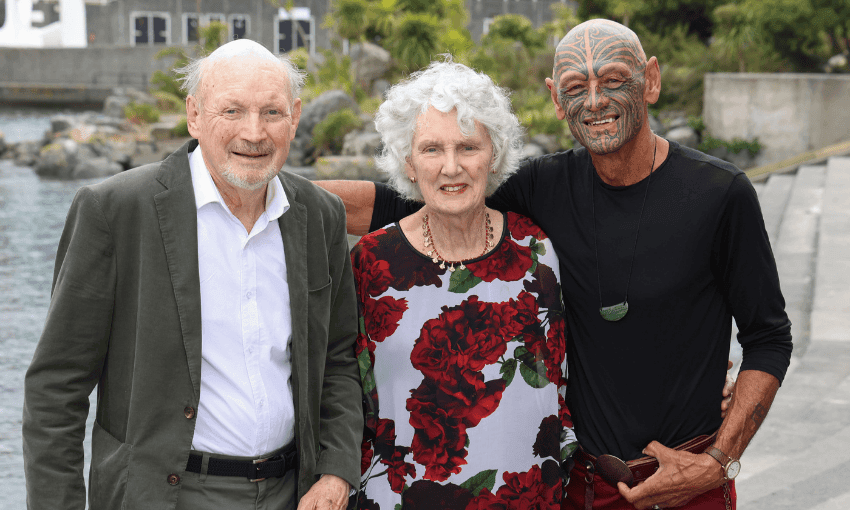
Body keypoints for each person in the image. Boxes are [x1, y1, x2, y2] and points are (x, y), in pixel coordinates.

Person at [320, 19, 792, 510]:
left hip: (688, 482)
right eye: (575, 87)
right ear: (555, 98)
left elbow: (770, 338)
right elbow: (414, 198)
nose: (595, 101)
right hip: (582, 486)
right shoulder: (543, 188)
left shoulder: (720, 194)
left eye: (613, 80)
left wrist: (719, 459)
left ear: (650, 80)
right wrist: (270, 196)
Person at [22, 39, 362, 510]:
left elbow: (339, 360)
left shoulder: (320, 215)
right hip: (163, 496)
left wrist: (336, 469)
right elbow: (56, 388)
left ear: (296, 117)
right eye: (232, 111)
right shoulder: (115, 210)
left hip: (294, 492)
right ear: (194, 114)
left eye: (272, 113)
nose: (254, 132)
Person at [351, 60, 576, 509]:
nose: (451, 167)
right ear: (408, 163)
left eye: (468, 146)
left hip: (526, 496)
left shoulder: (537, 249)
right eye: (431, 149)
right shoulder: (370, 263)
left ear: (493, 156)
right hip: (403, 499)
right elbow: (345, 395)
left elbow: (567, 374)